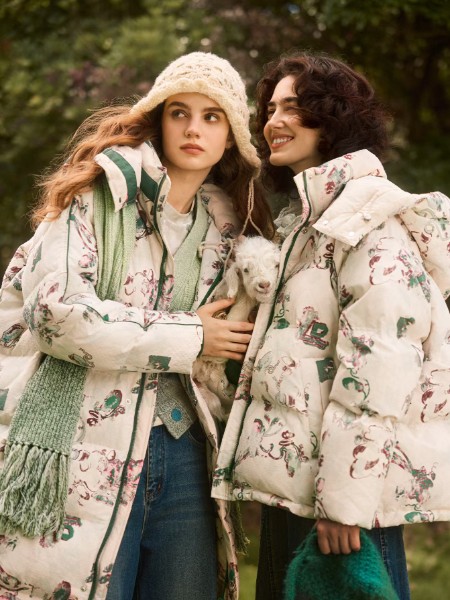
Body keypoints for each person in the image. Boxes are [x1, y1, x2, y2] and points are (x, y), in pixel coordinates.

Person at [0, 52, 274, 600]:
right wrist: (191, 335)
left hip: (187, 452)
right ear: (158, 120)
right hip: (83, 445)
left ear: (230, 139)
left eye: (212, 117)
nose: (194, 129)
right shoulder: (92, 199)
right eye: (179, 112)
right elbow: (56, 314)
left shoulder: (232, 232)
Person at [212, 50, 450, 600]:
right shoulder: (307, 223)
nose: (274, 122)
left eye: (293, 107)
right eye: (271, 109)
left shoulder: (366, 221)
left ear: (333, 117)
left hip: (341, 510)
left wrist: (344, 504)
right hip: (297, 492)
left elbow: (379, 366)